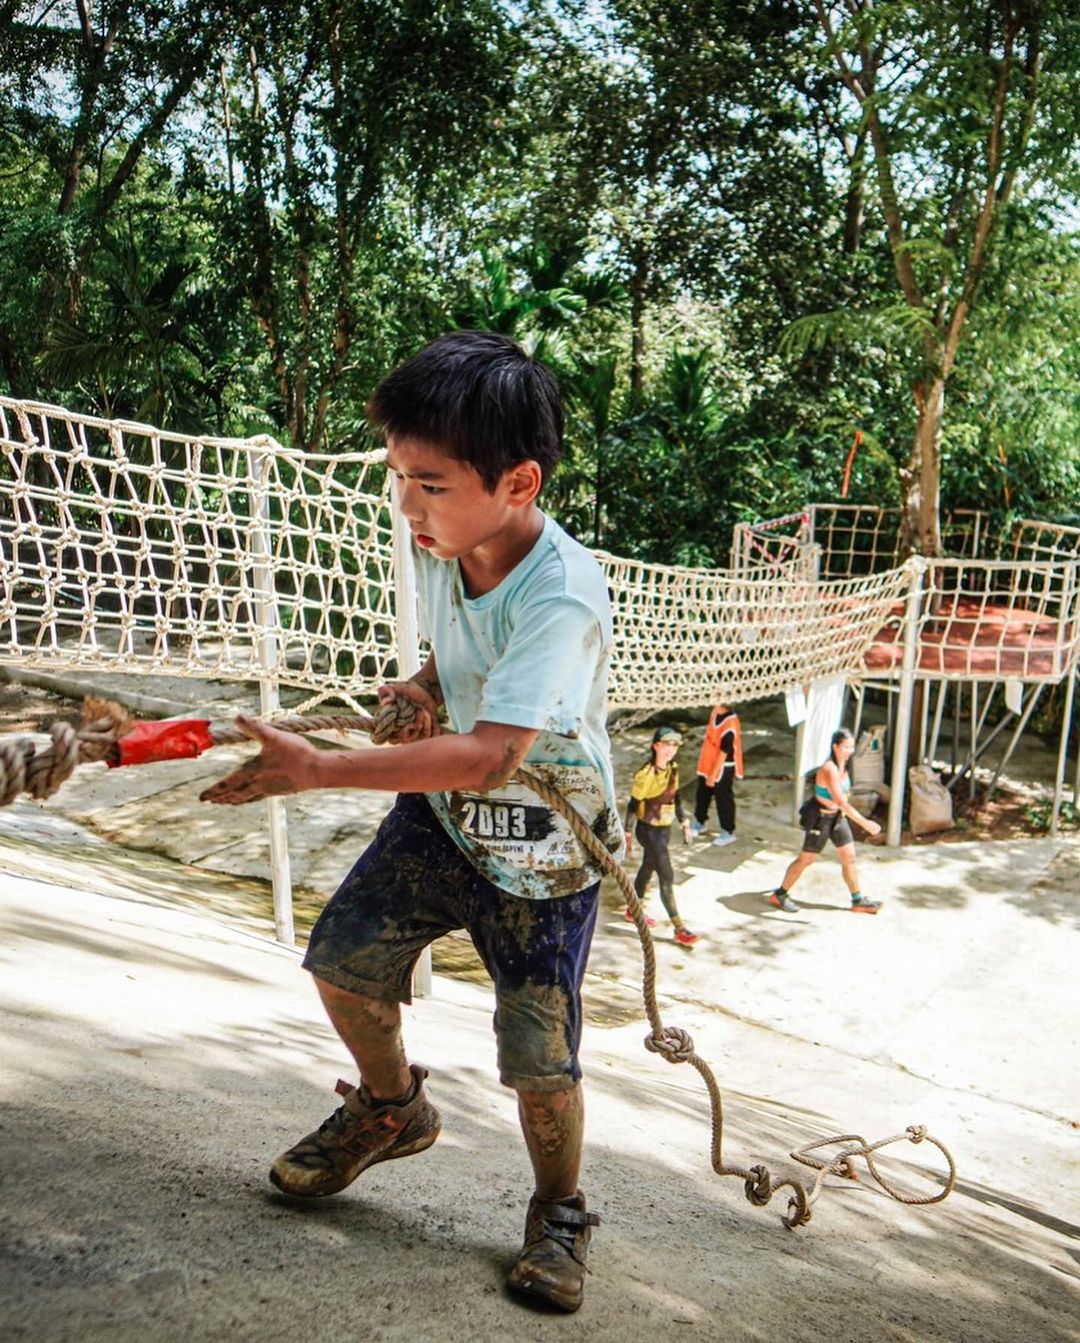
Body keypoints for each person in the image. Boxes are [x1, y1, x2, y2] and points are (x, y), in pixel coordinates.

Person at [201, 330, 623, 1314]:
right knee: (342, 961)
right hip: (443, 819)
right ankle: (393, 1106)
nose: (406, 503)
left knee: (538, 1056)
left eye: (429, 482)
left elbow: (493, 754)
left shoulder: (562, 590)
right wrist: (425, 685)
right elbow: (464, 662)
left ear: (519, 481)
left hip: (543, 848)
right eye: (401, 476)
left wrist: (318, 768)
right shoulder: (448, 543)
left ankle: (560, 1208)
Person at [768, 727, 883, 914]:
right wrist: (866, 824)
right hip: (821, 819)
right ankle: (779, 894)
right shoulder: (829, 769)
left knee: (849, 858)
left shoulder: (844, 766)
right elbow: (840, 802)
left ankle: (857, 899)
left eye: (852, 747)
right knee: (806, 859)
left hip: (837, 818)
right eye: (846, 747)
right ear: (835, 747)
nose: (850, 751)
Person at [624, 726, 698, 946]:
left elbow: (676, 797)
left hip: (664, 829)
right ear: (655, 746)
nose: (670, 750)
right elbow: (633, 804)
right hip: (648, 830)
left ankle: (633, 910)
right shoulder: (645, 774)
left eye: (674, 745)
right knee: (666, 876)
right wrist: (627, 832)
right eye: (666, 745)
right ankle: (679, 928)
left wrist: (684, 822)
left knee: (648, 866)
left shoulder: (673, 769)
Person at [690, 703, 742, 846]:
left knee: (723, 798)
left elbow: (724, 752)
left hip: (723, 766)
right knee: (702, 794)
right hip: (708, 762)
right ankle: (700, 822)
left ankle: (728, 831)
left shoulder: (730, 723)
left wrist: (713, 774)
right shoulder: (715, 712)